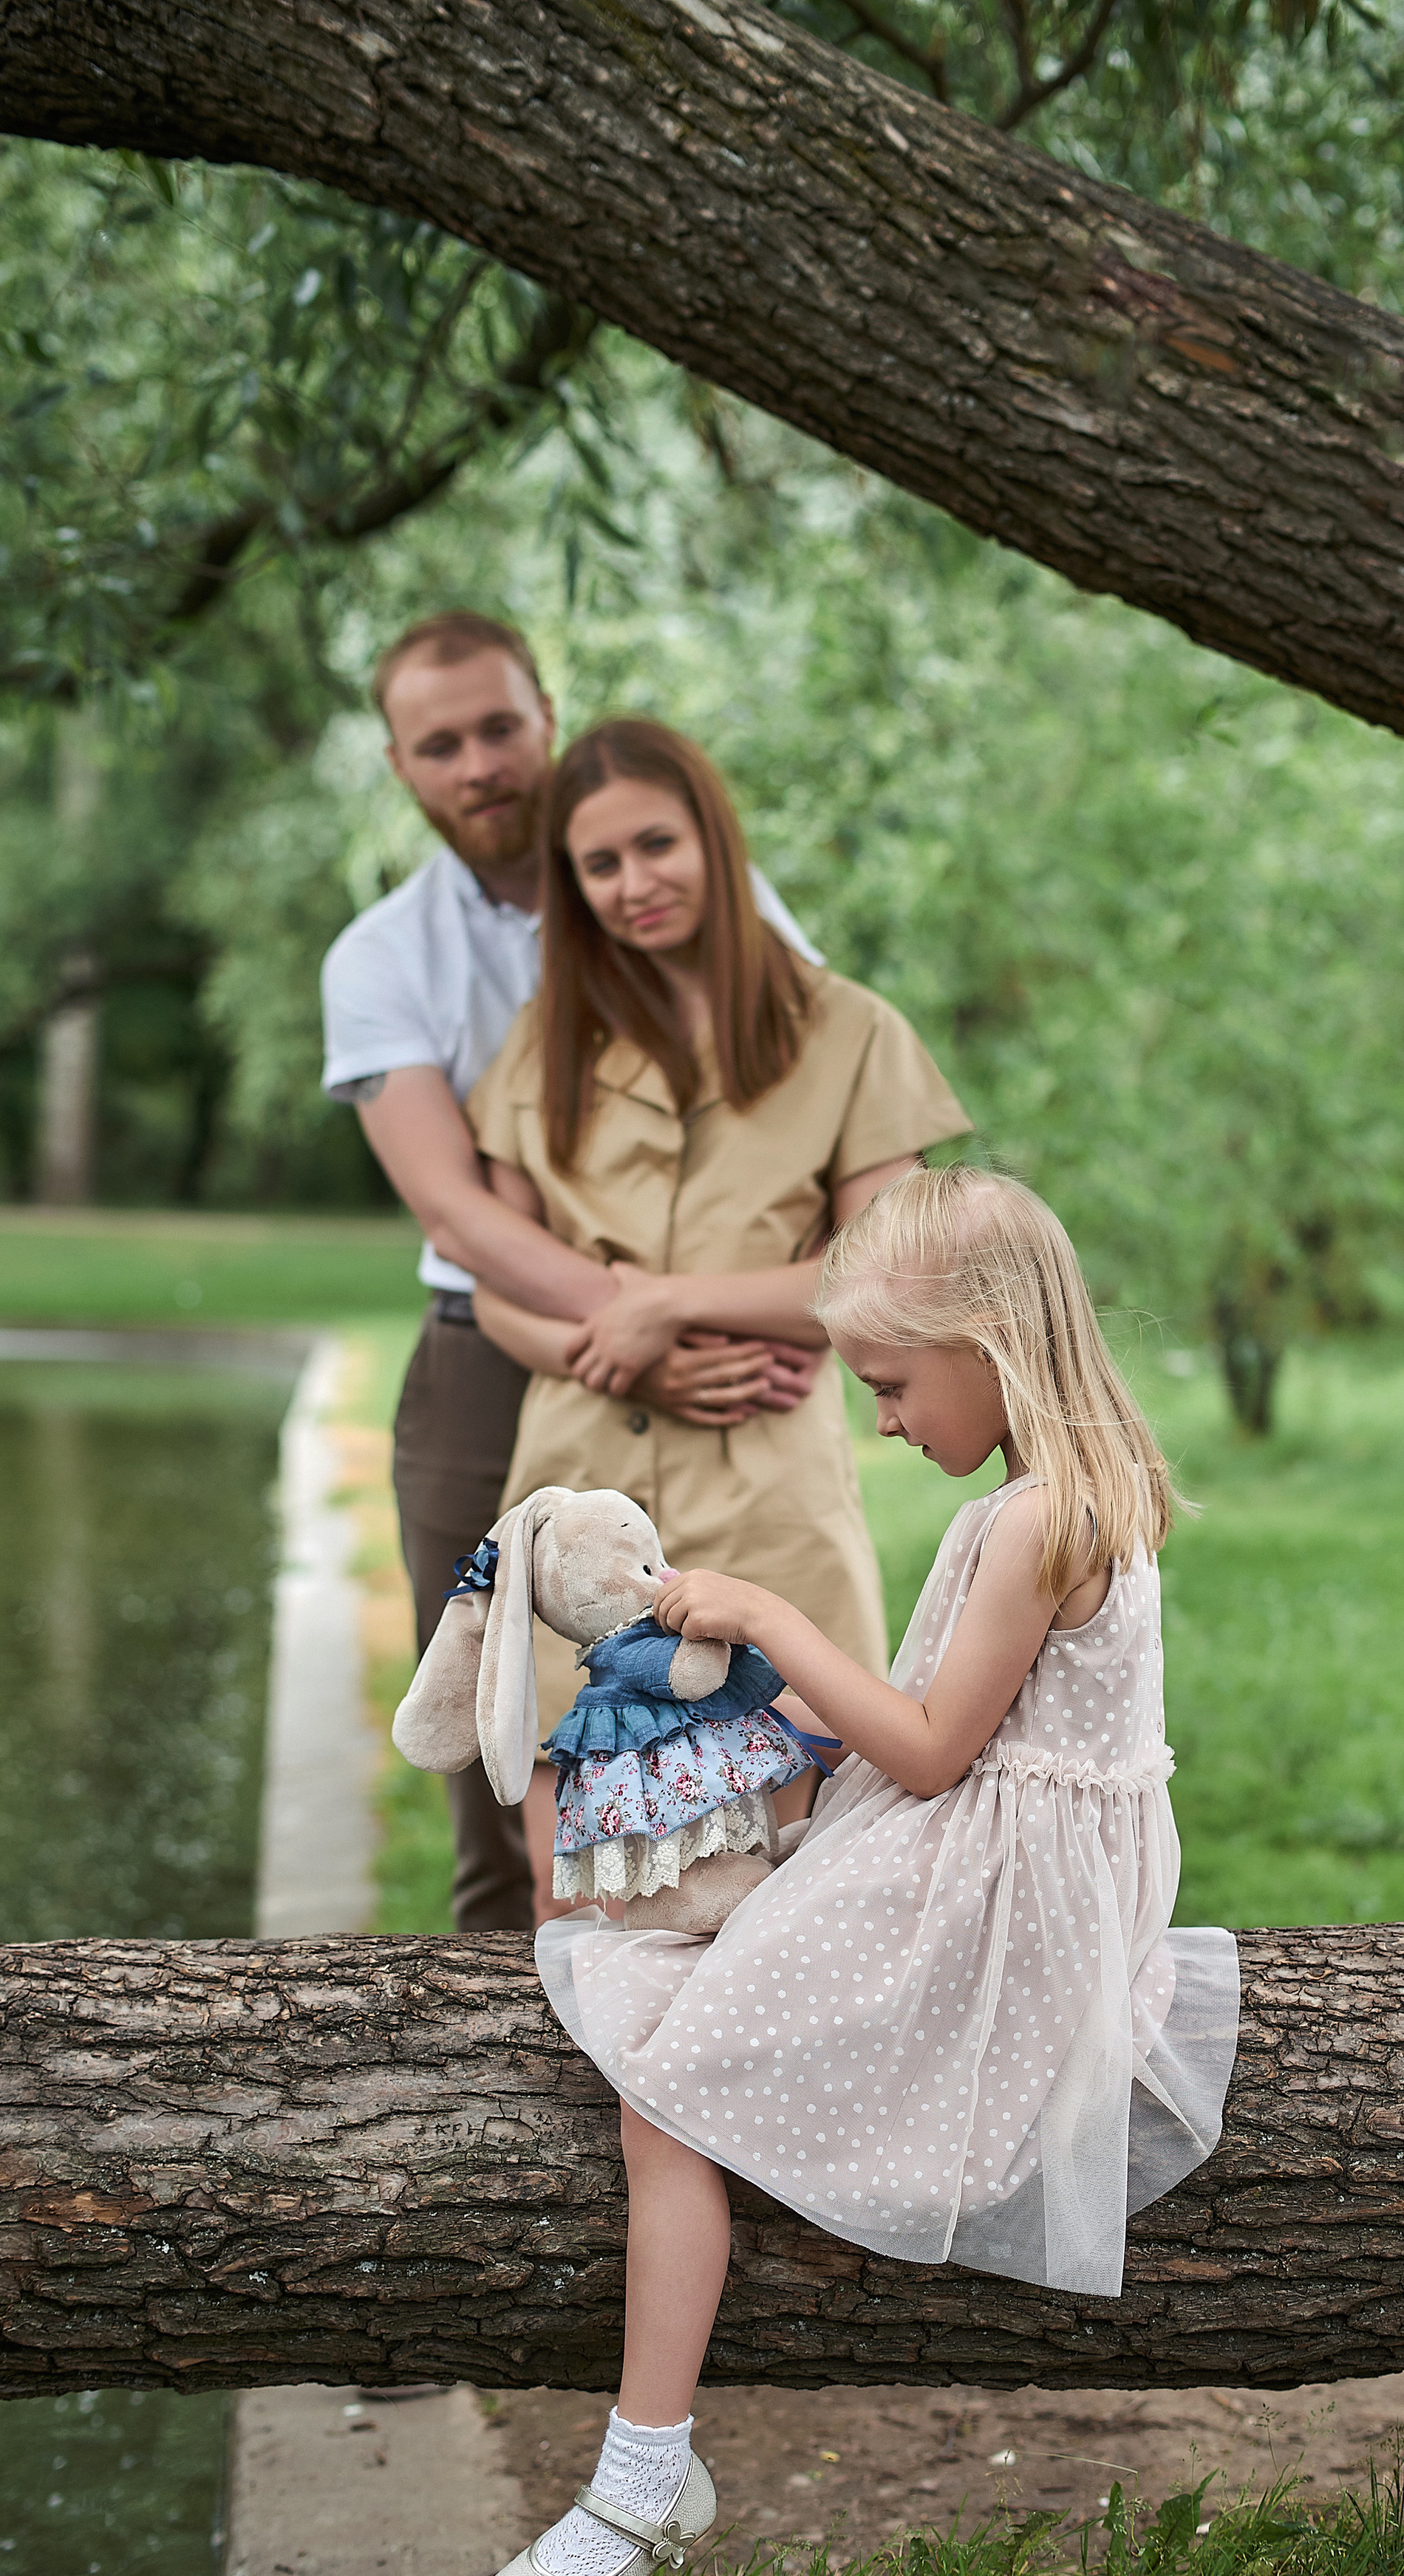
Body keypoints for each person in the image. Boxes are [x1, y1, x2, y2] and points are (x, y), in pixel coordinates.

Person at [477, 1164, 1243, 2576]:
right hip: (990, 1844)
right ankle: (652, 2464)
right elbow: (937, 1723)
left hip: (991, 1892)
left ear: (991, 1344)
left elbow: (935, 1747)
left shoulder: (1030, 1523)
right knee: (670, 1892)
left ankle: (641, 2478)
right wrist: (775, 1718)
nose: (882, 1419)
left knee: (670, 2081)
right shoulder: (1067, 1493)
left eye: (891, 1383)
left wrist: (770, 1618)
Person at [320, 614, 824, 1932]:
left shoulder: (696, 888)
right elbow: (453, 1208)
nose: (480, 763)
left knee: (738, 1717)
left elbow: (810, 1095)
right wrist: (635, 1323)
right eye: (442, 744)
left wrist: (718, 1314)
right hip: (491, 1357)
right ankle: (505, 2101)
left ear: (544, 717)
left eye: (499, 727)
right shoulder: (380, 960)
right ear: (401, 766)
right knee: (501, 1749)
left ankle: (739, 2046)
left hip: (717, 1354)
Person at [463, 719, 974, 1915]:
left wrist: (665, 1307)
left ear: (715, 837)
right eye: (600, 866)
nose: (634, 884)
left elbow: (884, 1273)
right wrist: (620, 1360)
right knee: (578, 1892)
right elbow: (499, 1287)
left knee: (798, 1879)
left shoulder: (849, 1032)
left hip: (770, 1505)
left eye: (657, 844)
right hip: (577, 1519)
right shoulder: (546, 1041)